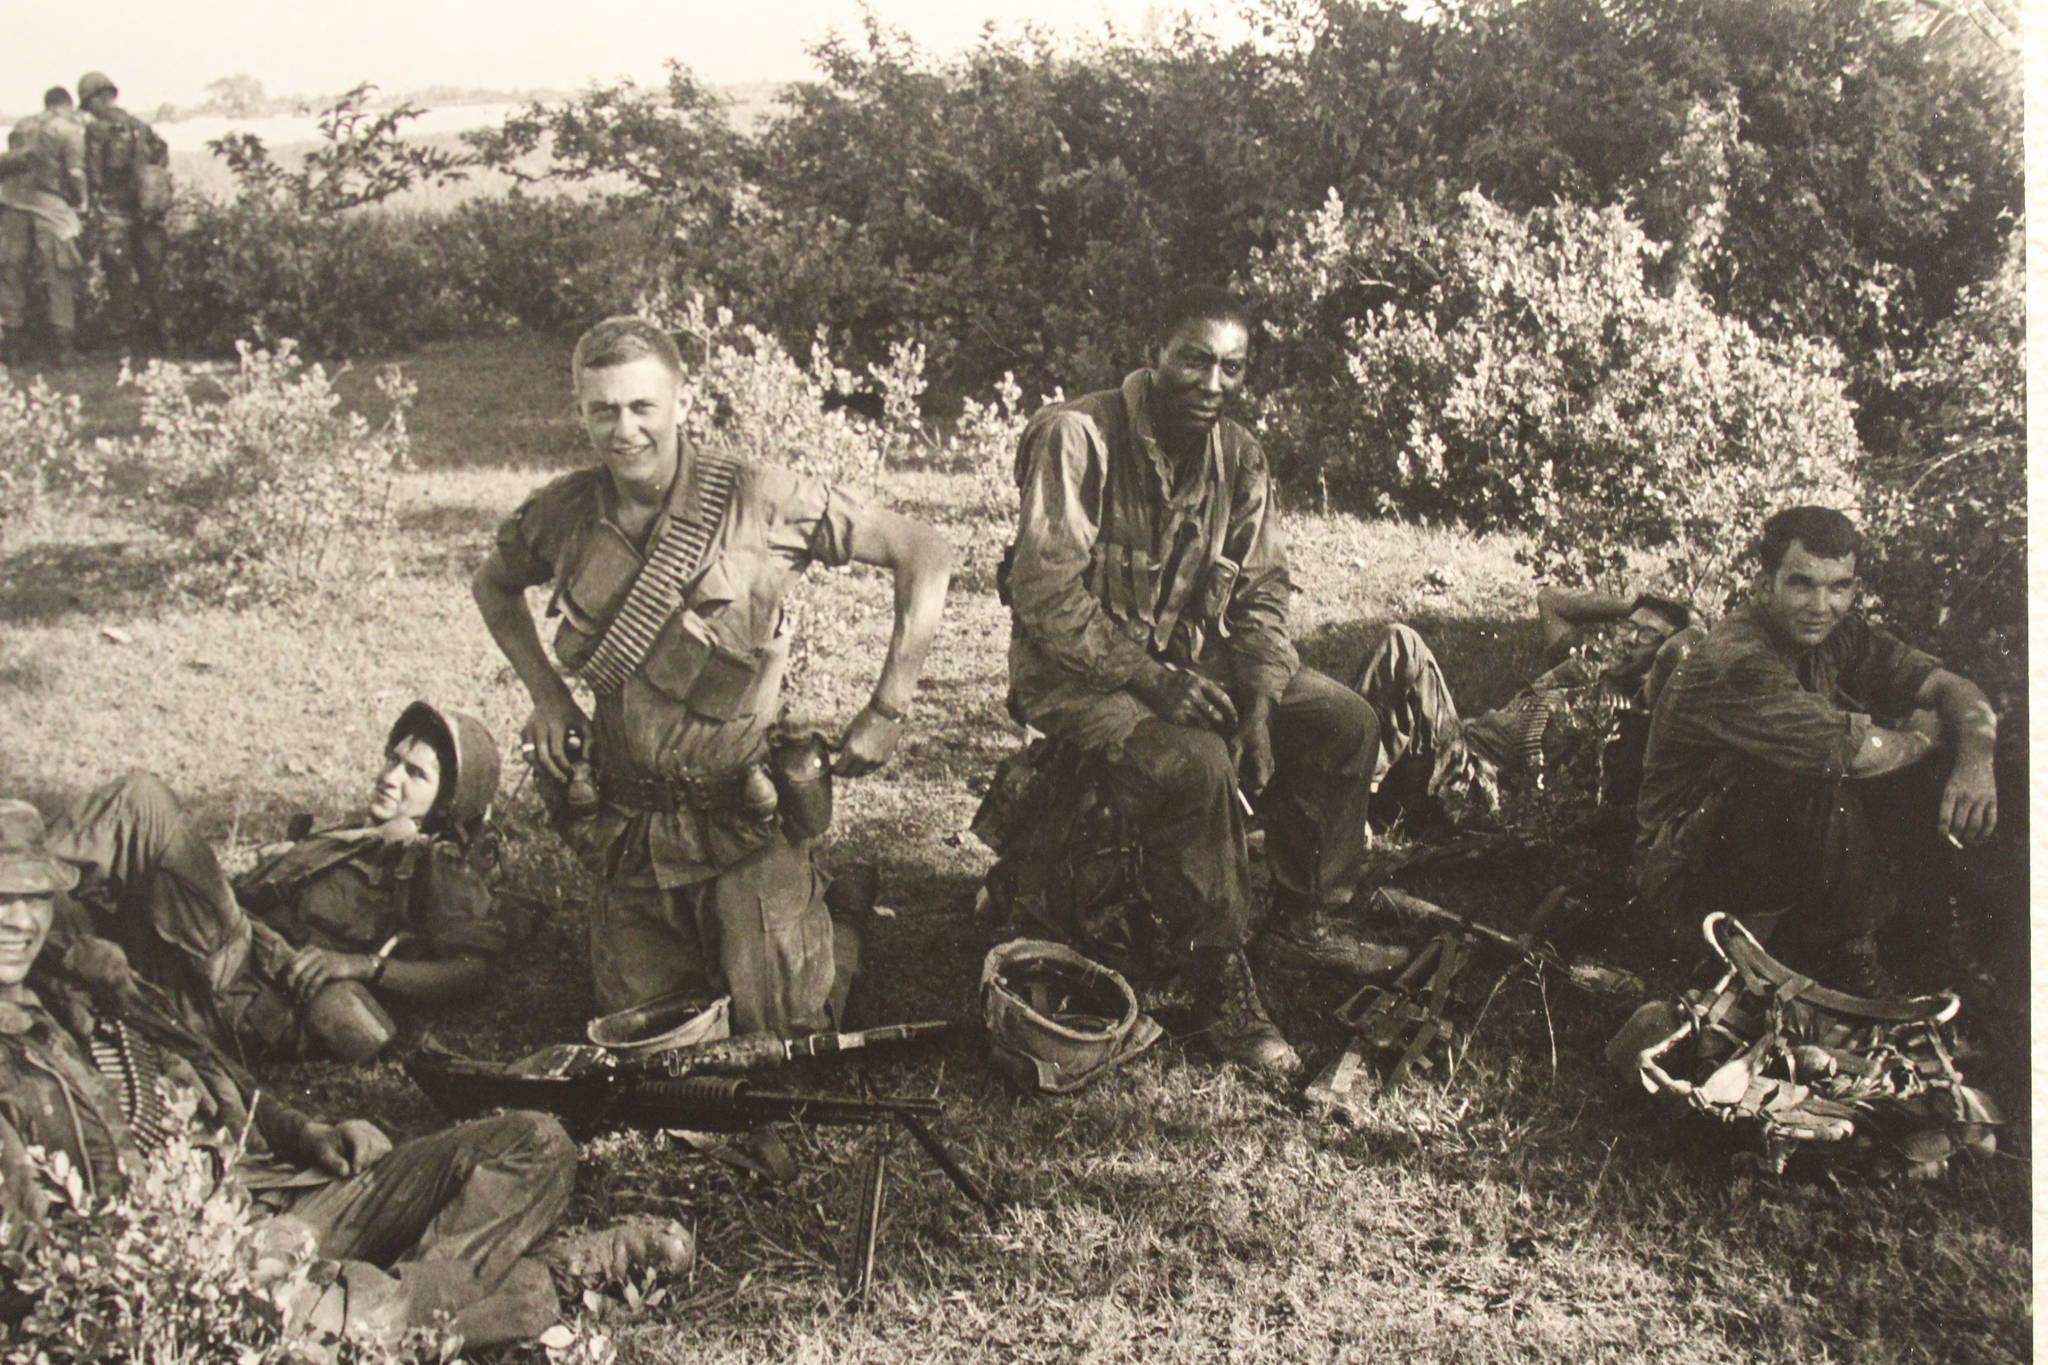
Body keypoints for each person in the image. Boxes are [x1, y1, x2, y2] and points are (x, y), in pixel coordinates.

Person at [0, 802, 692, 1351]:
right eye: (1, 894)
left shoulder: (86, 981)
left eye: (32, 895)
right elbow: (35, 1261)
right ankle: (516, 1291)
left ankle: (383, 1314)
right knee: (280, 1316)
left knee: (536, 1142)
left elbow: (219, 1072)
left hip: (283, 1194)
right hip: (205, 1256)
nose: (18, 918)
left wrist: (306, 1130)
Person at [472, 316, 954, 1035]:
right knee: (639, 1034)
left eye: (642, 407)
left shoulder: (756, 497)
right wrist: (548, 694)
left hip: (744, 816)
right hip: (630, 824)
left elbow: (924, 547)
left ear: (680, 403)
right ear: (580, 410)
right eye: (602, 409)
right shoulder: (563, 513)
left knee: (787, 1026)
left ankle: (838, 915)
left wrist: (887, 707)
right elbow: (493, 585)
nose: (624, 429)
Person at [1000, 285, 1401, 1079]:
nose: (1212, 384)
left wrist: (1257, 703)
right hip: (1078, 677)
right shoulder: (1074, 437)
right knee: (1196, 764)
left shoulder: (1240, 456)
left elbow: (1262, 593)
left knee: (1343, 721)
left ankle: (1306, 912)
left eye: (1232, 367)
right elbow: (1044, 594)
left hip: (1187, 662)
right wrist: (1150, 678)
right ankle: (1218, 978)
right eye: (1194, 359)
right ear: (1153, 355)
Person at [1633, 506, 1999, 987]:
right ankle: (1848, 954)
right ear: (1764, 585)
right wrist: (1924, 735)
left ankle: (1937, 944)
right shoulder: (1738, 659)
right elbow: (1855, 753)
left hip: (1755, 842)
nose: (1821, 604)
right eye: (1802, 583)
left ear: (1853, 588)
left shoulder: (1835, 632)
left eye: (1838, 587)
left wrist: (1976, 760)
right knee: (1819, 770)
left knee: (1941, 757)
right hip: (1681, 876)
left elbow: (1954, 690)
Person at [35, 701, 516, 1064]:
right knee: (55, 910)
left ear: (448, 801)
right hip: (202, 957)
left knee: (142, 801)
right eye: (393, 761)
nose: (390, 777)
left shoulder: (436, 859)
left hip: (254, 977)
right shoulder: (352, 837)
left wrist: (364, 966)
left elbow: (472, 970)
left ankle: (17, 873)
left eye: (415, 774)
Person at [1354, 589, 1701, 825]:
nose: (1628, 639)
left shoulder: (1636, 710)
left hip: (1471, 783)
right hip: (1448, 750)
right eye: (1628, 628)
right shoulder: (1585, 668)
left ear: (1664, 651)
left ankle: (1349, 801)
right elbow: (1551, 600)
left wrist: (1693, 624)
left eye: (1648, 635)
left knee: (1402, 643)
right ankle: (1352, 790)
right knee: (1393, 648)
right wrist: (1638, 605)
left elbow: (1680, 654)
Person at [78, 71, 170, 354]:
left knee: (118, 276)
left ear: (94, 99)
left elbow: (93, 174)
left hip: (115, 212)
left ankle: (122, 343)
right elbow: (162, 154)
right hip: (147, 211)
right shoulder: (139, 125)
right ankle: (166, 337)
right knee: (153, 274)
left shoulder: (97, 130)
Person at [0, 87, 88, 367]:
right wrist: (82, 202)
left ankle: (12, 345)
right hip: (49, 206)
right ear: (67, 105)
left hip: (12, 203)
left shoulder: (23, 125)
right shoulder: (68, 128)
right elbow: (75, 172)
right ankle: (63, 349)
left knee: (11, 272)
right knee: (59, 273)